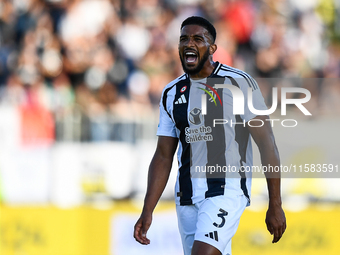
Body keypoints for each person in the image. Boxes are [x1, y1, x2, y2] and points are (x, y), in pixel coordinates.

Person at [134, 16, 286, 255]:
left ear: (212, 48)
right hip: (186, 196)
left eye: (197, 38)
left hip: (226, 190)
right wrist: (147, 209)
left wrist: (275, 203)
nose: (189, 43)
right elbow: (163, 155)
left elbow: (267, 145)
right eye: (184, 39)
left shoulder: (239, 83)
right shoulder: (171, 93)